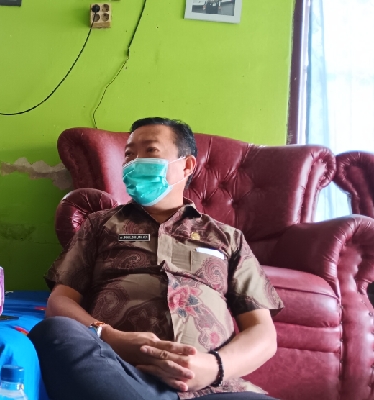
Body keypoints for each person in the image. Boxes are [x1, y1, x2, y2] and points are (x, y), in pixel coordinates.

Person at [28, 117, 284, 400]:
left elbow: (262, 331)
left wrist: (213, 367)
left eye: (150, 151)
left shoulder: (227, 238)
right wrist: (112, 338)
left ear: (186, 165)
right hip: (119, 372)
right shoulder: (99, 225)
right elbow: (60, 301)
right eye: (129, 155)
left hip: (213, 389)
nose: (135, 162)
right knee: (54, 331)